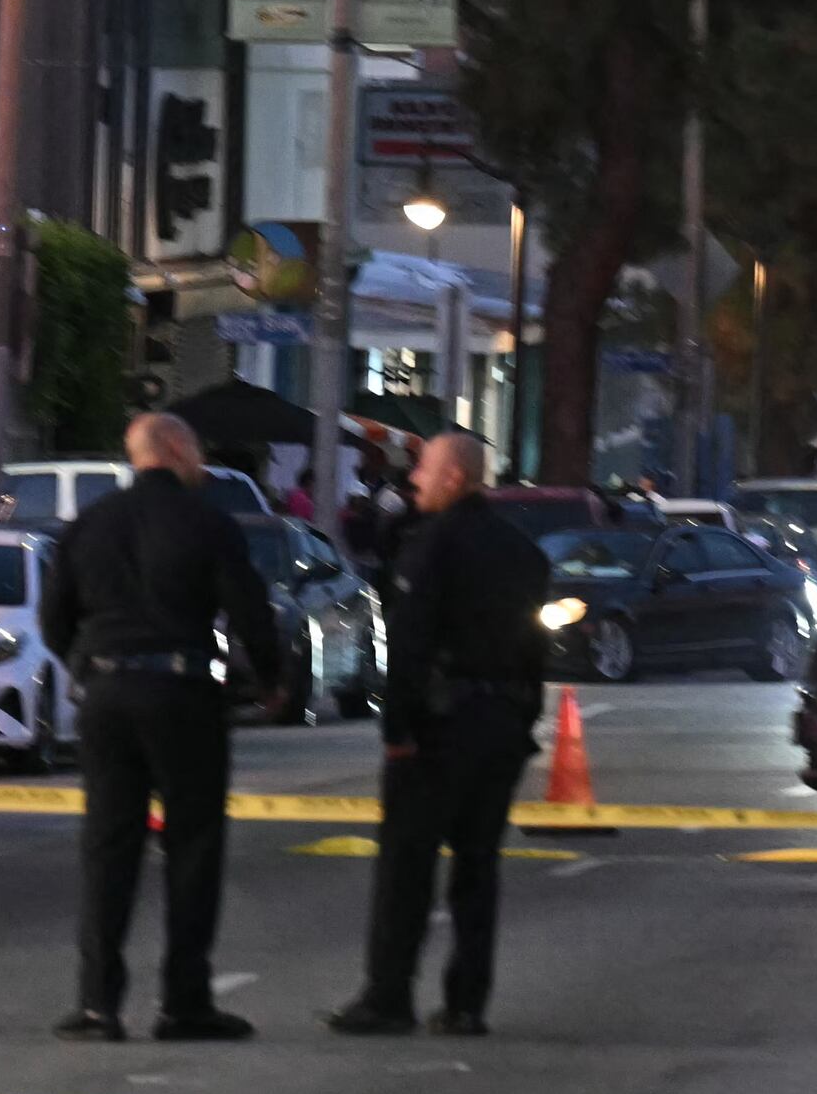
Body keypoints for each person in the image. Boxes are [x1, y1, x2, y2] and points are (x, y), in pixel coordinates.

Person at [39, 410, 281, 1040]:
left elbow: (53, 618)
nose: (200, 460)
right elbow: (251, 610)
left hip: (107, 693)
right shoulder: (209, 522)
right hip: (184, 691)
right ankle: (184, 1001)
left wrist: (86, 666)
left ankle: (98, 1004)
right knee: (193, 848)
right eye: (196, 448)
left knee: (107, 848)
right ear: (174, 449)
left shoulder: (87, 526)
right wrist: (275, 681)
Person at [328, 429, 551, 1038]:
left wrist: (397, 728)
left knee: (407, 866)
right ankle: (467, 1002)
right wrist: (522, 719)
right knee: (477, 869)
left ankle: (389, 996)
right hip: (500, 725)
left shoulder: (431, 547)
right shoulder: (521, 552)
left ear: (455, 477)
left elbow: (411, 643)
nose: (413, 478)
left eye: (423, 468)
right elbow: (536, 647)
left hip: (439, 727)